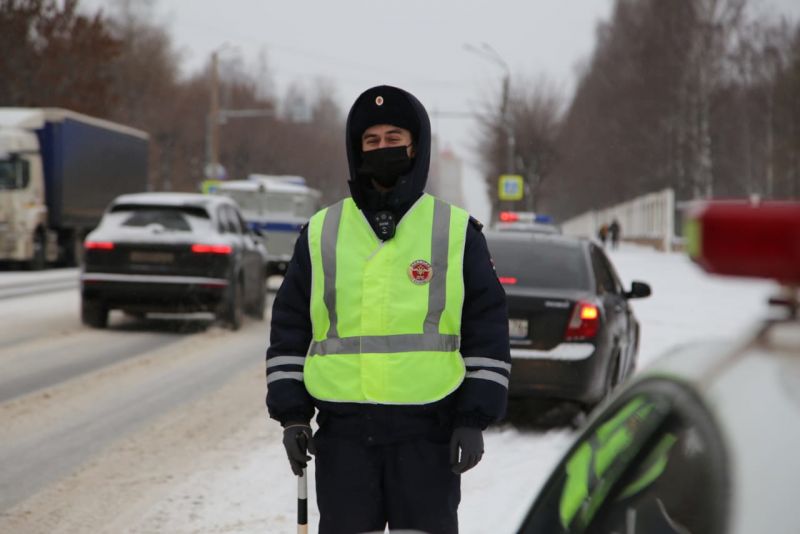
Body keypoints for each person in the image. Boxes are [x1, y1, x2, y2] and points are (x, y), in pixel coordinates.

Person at [266, 85, 510, 534]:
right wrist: (293, 416)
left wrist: (474, 418)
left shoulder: (456, 231)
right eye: (371, 140)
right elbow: (290, 328)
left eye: (394, 138)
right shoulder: (321, 231)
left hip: (428, 436)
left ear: (416, 146)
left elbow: (487, 329)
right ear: (356, 150)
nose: (383, 148)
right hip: (344, 438)